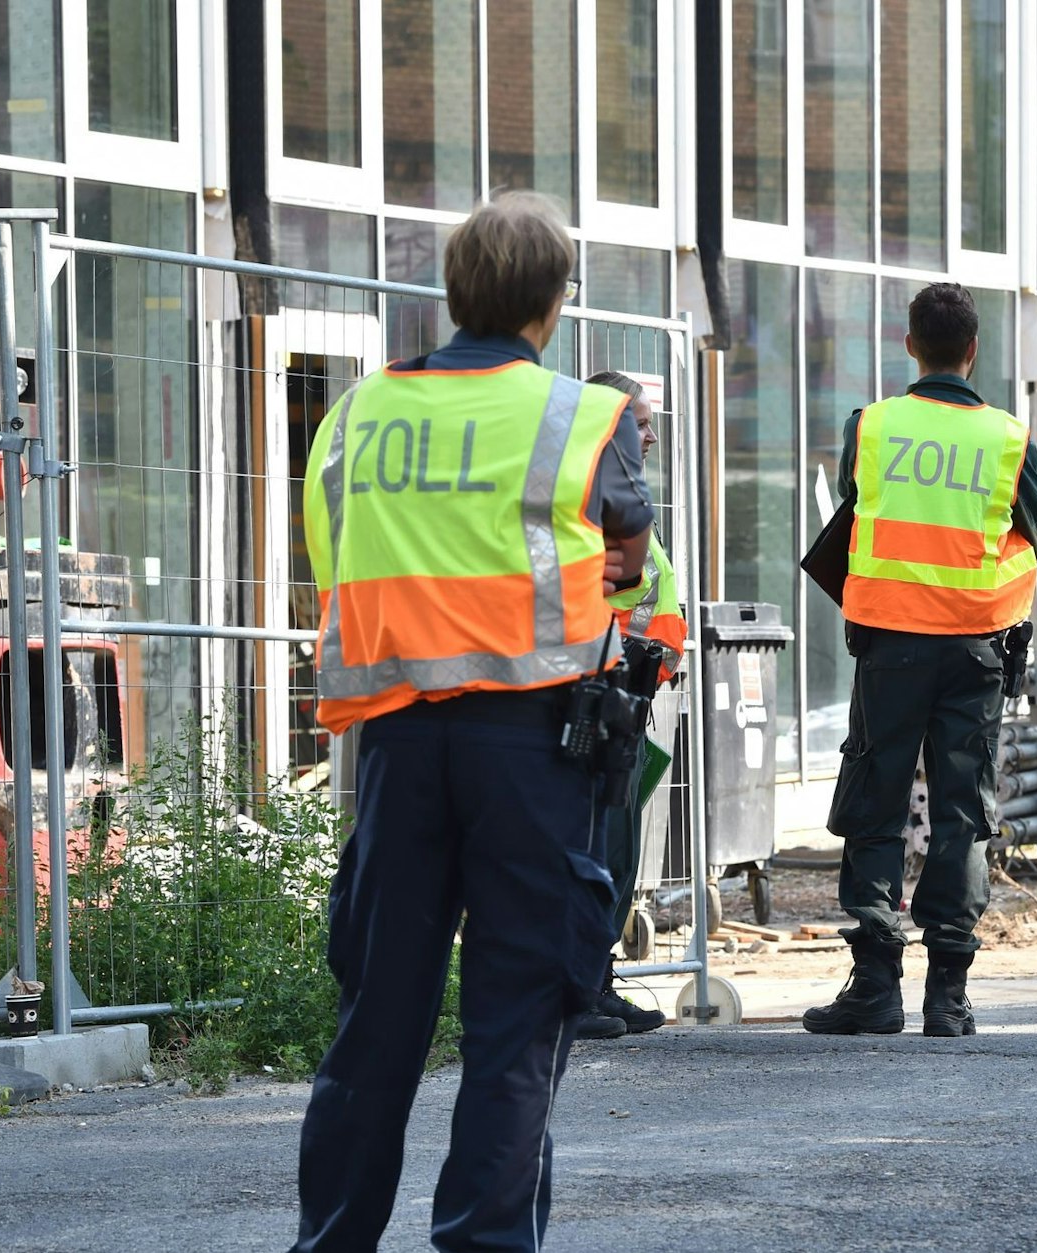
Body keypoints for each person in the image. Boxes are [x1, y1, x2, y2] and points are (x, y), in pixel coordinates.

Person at [291, 190, 655, 1253]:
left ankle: (331, 1241)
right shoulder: (580, 416)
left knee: (376, 1024)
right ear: (554, 302)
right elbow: (629, 551)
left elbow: (333, 545)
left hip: (397, 741)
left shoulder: (360, 409)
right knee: (515, 1025)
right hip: (533, 747)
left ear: (454, 293)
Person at [805, 282, 1037, 1038]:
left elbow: (856, 506)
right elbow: (1036, 534)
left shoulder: (872, 426)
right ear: (973, 349)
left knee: (875, 801)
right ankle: (948, 995)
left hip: (890, 647)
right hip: (975, 650)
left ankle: (875, 987)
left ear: (909, 344)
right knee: (961, 812)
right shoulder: (1008, 438)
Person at [576, 369, 687, 1042]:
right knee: (597, 848)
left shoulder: (619, 498)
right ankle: (580, 988)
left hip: (627, 697)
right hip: (597, 696)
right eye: (640, 424)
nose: (650, 436)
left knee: (616, 853)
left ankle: (597, 978)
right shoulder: (593, 501)